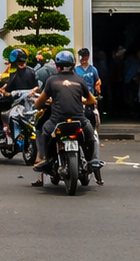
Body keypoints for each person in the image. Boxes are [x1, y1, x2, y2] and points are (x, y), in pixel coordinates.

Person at [30, 50, 101, 186]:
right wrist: (81, 101)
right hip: (79, 120)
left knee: (45, 130)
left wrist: (38, 105)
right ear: (73, 65)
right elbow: (92, 100)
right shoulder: (80, 80)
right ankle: (90, 161)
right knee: (90, 135)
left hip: (57, 121)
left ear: (57, 66)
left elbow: (39, 102)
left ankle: (47, 159)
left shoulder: (51, 80)